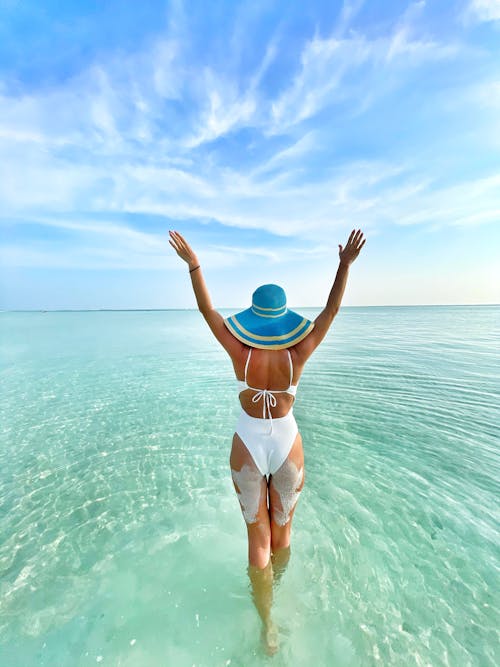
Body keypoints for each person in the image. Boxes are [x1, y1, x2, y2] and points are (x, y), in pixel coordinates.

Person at [169, 228, 366, 654]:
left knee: (256, 538)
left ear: (255, 318)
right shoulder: (299, 354)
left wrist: (194, 265)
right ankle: (279, 593)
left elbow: (208, 310)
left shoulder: (241, 354)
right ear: (283, 318)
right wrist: (344, 265)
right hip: (287, 442)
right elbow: (330, 311)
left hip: (248, 442)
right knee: (283, 532)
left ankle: (267, 622)